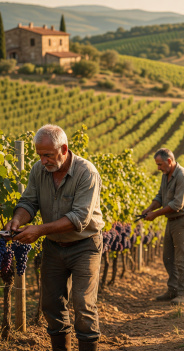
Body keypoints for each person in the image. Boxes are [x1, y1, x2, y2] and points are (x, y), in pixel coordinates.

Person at [6, 124, 104, 351]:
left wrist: (38, 230)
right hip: (53, 246)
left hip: (85, 245)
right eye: (39, 155)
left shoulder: (86, 172)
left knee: (83, 303)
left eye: (48, 155)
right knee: (50, 304)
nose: (43, 161)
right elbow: (28, 202)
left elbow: (79, 217)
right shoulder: (38, 170)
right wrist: (18, 220)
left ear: (64, 149)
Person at [142, 148, 184, 305]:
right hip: (172, 221)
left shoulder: (182, 176)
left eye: (159, 164)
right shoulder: (166, 175)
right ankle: (173, 290)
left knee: (182, 259)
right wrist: (150, 208)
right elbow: (160, 196)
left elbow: (177, 204)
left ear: (169, 161)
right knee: (167, 257)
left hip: (183, 220)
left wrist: (155, 215)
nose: (158, 168)